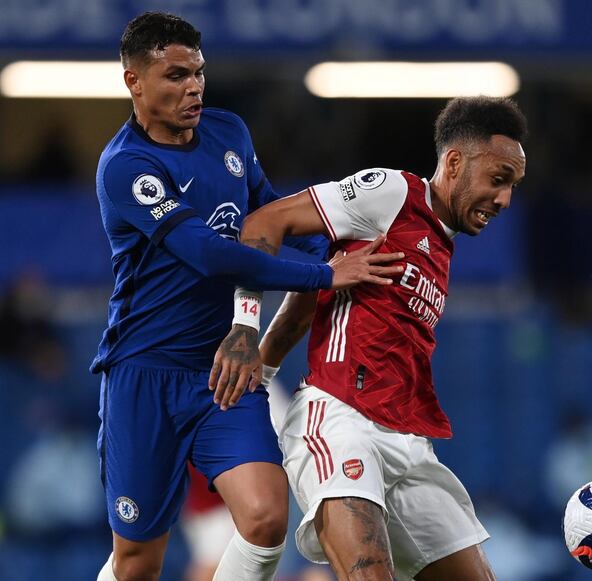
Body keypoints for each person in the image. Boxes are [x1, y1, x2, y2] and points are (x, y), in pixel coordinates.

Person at [92, 12, 402, 581]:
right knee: (138, 562)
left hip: (222, 370)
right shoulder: (126, 168)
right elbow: (210, 253)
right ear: (134, 81)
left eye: (199, 74)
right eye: (176, 76)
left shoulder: (229, 132)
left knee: (264, 519)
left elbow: (267, 214)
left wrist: (329, 246)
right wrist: (325, 277)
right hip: (144, 375)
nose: (193, 88)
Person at [211, 96, 528, 580]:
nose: (504, 200)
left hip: (407, 440)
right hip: (341, 420)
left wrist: (266, 367)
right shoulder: (392, 192)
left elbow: (310, 302)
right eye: (498, 179)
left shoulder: (441, 242)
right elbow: (264, 222)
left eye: (512, 187)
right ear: (456, 162)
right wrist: (243, 330)